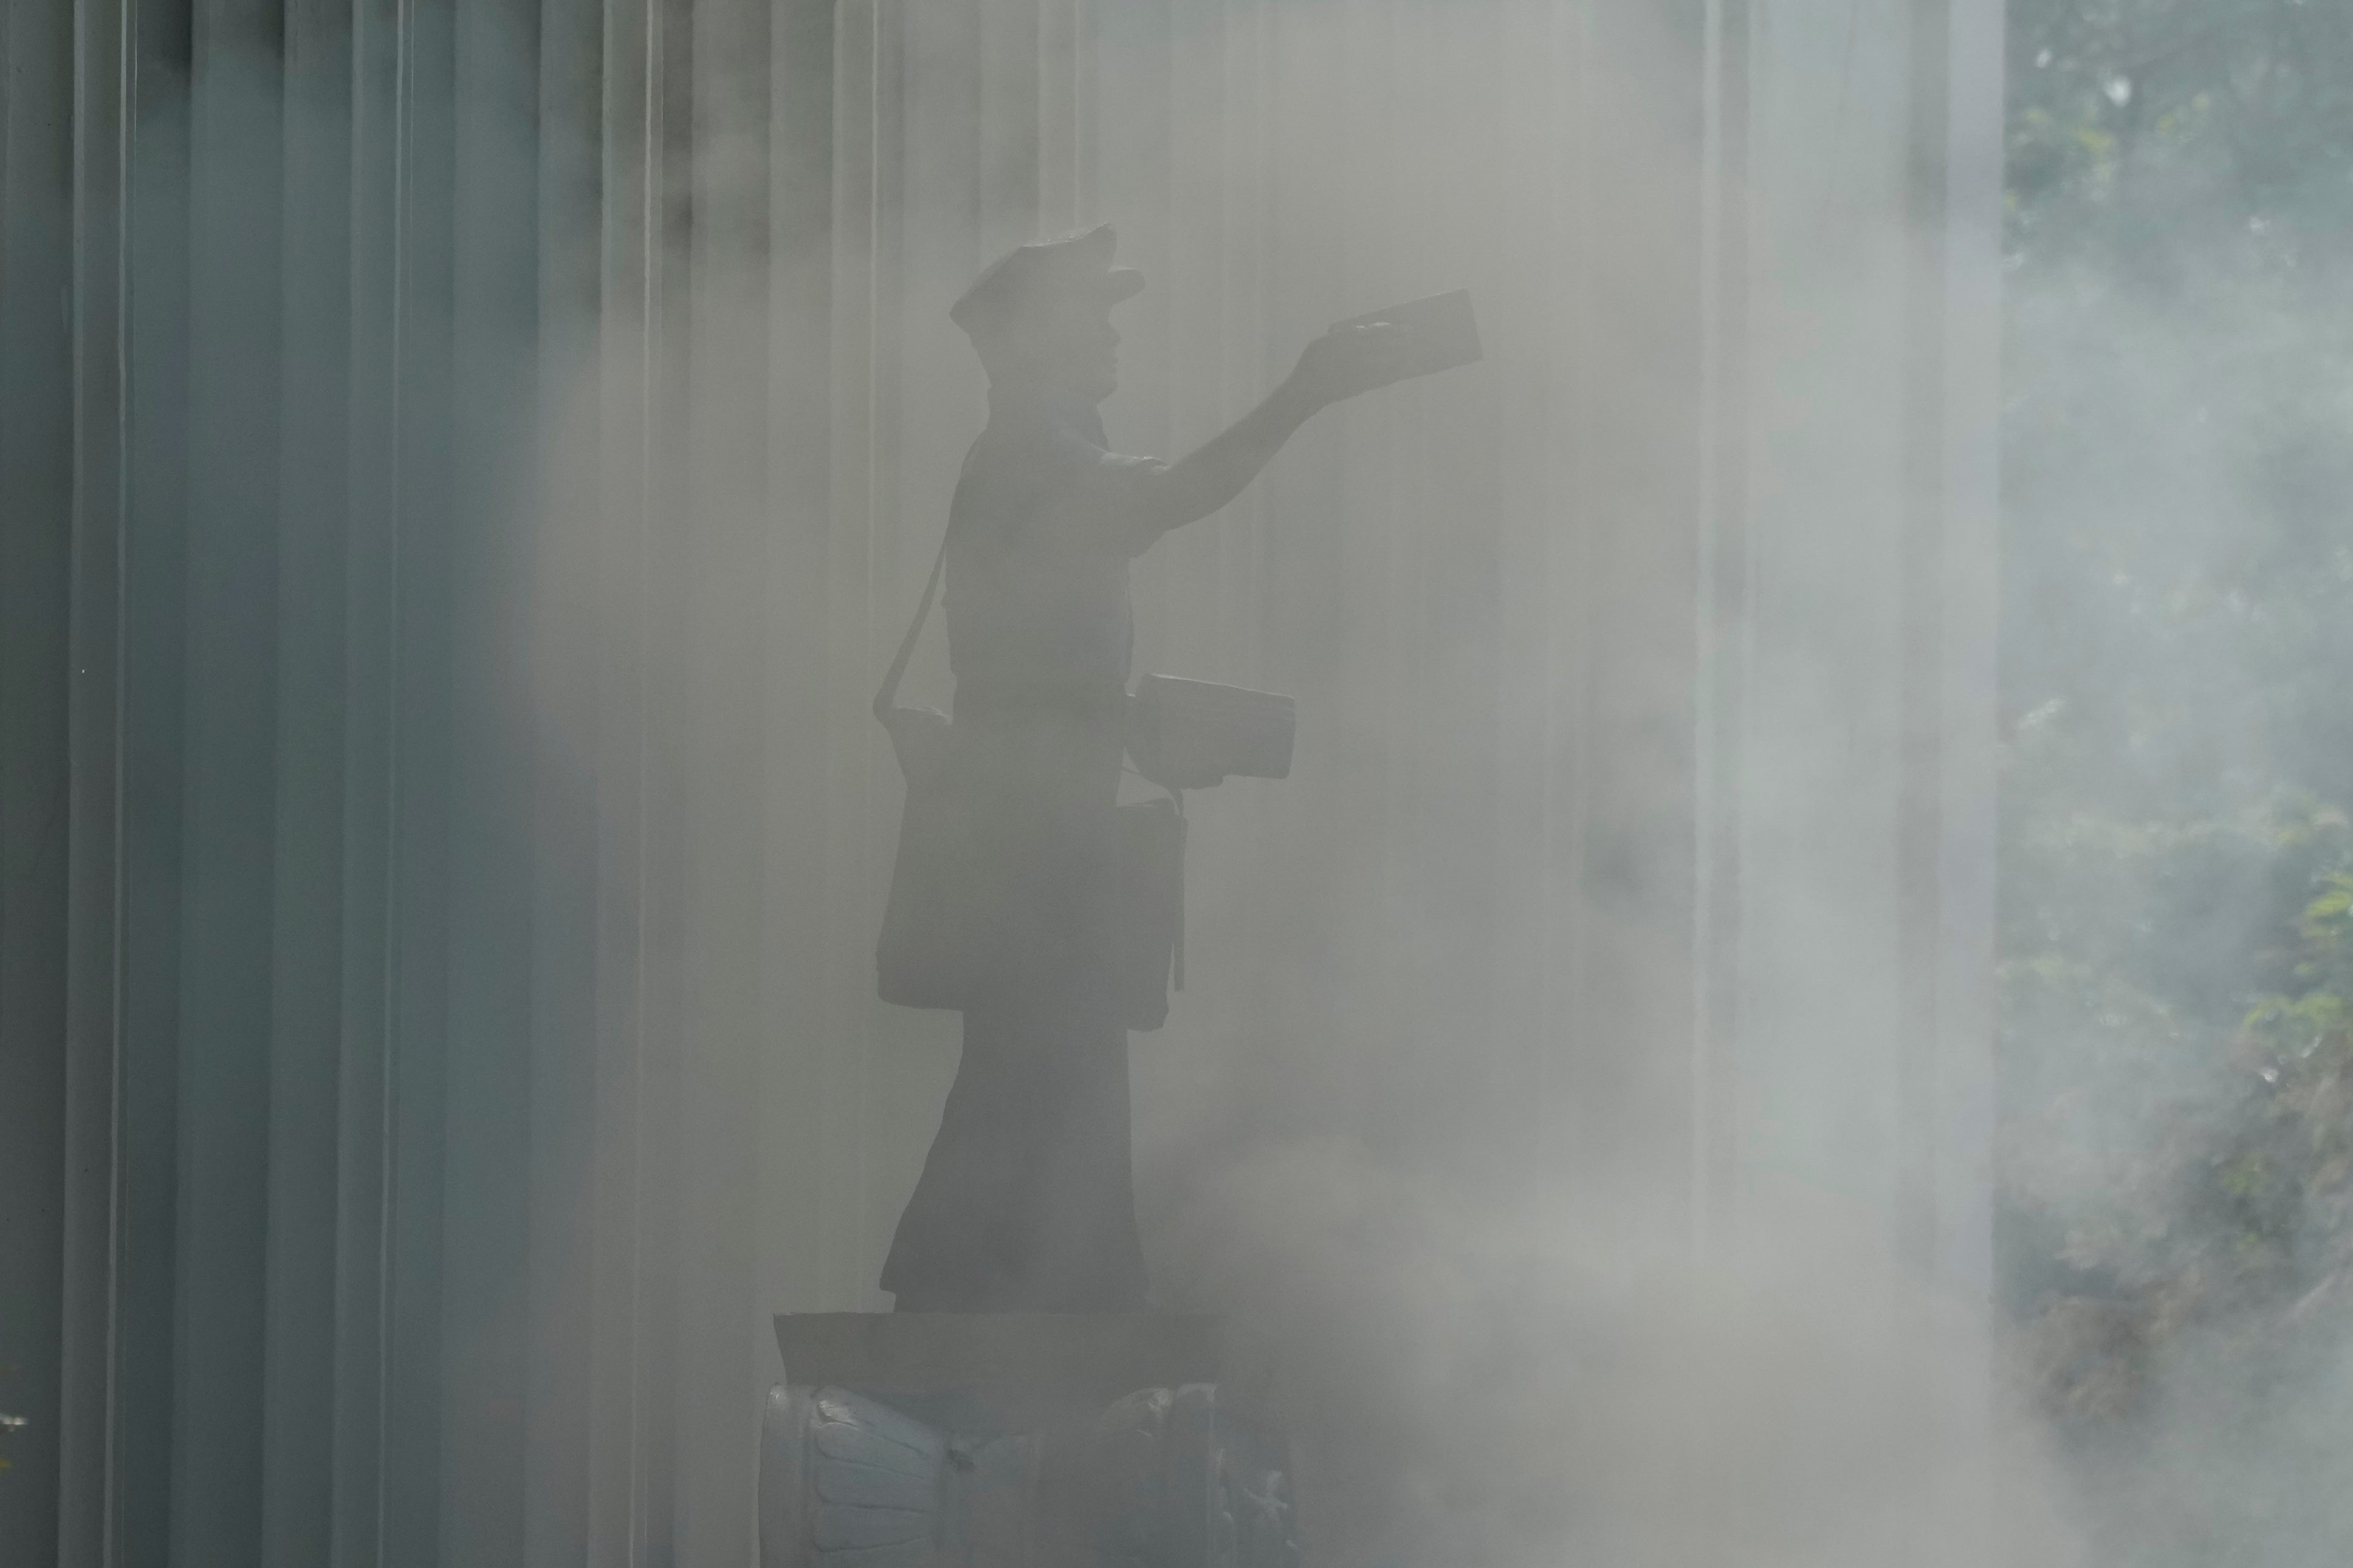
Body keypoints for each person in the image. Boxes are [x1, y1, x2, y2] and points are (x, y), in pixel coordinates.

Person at [881, 225, 1408, 1313]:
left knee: (1046, 1069)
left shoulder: (1031, 451)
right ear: (1028, 346)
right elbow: (1173, 496)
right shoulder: (1035, 452)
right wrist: (1304, 393)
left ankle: (1009, 1286)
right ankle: (1003, 1294)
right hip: (1029, 826)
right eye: (1092, 315)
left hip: (1037, 808)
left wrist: (1127, 723)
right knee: (1048, 1061)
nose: (1112, 335)